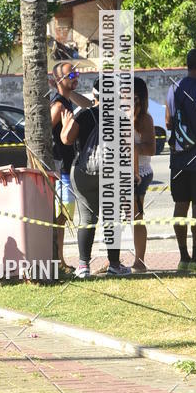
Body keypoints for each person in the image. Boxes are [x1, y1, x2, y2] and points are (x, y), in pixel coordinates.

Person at [61, 78, 131, 277]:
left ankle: (83, 265)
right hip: (111, 174)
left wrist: (66, 123)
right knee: (111, 218)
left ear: (94, 95)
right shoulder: (120, 117)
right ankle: (115, 264)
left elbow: (66, 139)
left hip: (84, 174)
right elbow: (126, 150)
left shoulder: (84, 115)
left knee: (87, 218)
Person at [165, 48, 196, 272]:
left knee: (180, 206)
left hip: (178, 160)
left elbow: (169, 122)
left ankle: (183, 257)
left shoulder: (173, 88)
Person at [50, 62, 93, 271]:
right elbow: (45, 134)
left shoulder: (67, 101)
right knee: (61, 217)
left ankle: (60, 260)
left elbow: (89, 105)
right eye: (72, 74)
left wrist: (67, 90)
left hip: (69, 168)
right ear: (59, 80)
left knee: (65, 216)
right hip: (62, 171)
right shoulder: (58, 106)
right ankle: (59, 261)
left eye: (77, 73)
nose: (76, 77)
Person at [132, 77, 155, 273]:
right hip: (123, 172)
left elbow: (151, 149)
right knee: (125, 215)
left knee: (136, 215)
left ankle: (139, 261)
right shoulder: (119, 115)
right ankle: (116, 259)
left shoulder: (145, 119)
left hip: (141, 173)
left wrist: (134, 148)